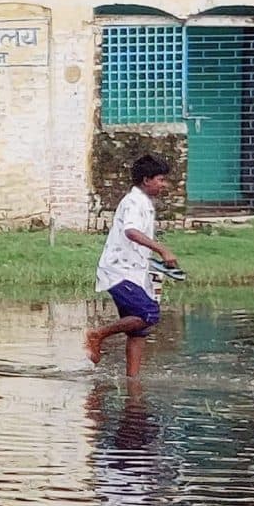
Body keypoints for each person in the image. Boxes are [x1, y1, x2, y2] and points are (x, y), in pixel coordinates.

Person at [85, 154, 183, 376]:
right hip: (119, 271)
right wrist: (162, 249)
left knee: (140, 330)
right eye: (160, 179)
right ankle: (97, 334)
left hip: (135, 271)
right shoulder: (133, 202)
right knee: (149, 314)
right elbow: (131, 231)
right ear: (146, 180)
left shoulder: (144, 203)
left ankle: (133, 380)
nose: (163, 185)